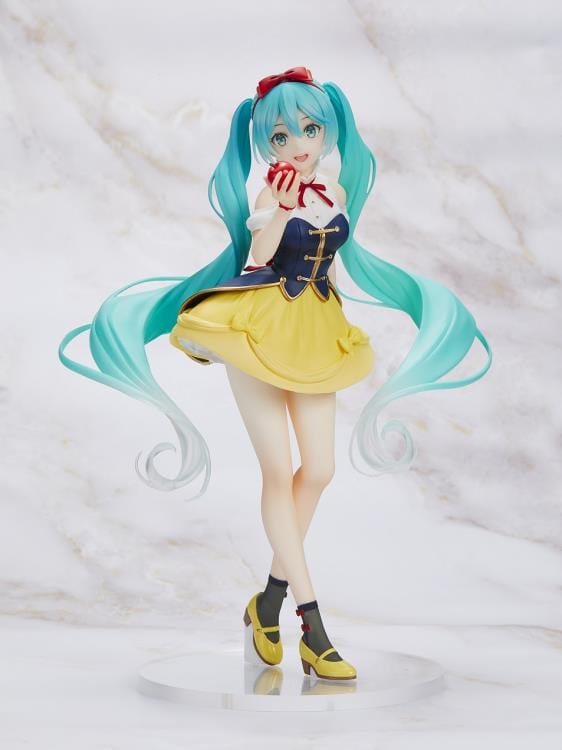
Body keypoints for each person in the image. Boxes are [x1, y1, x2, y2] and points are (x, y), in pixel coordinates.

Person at [59, 67, 492, 680]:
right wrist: (281, 210)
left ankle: (266, 602)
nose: (298, 144)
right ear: (266, 143)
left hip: (315, 331)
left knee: (320, 469)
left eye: (309, 130)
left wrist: (336, 320)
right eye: (282, 136)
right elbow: (259, 257)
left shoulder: (334, 193)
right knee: (276, 469)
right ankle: (312, 625)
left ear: (327, 132)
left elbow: (331, 266)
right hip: (257, 330)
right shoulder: (270, 196)